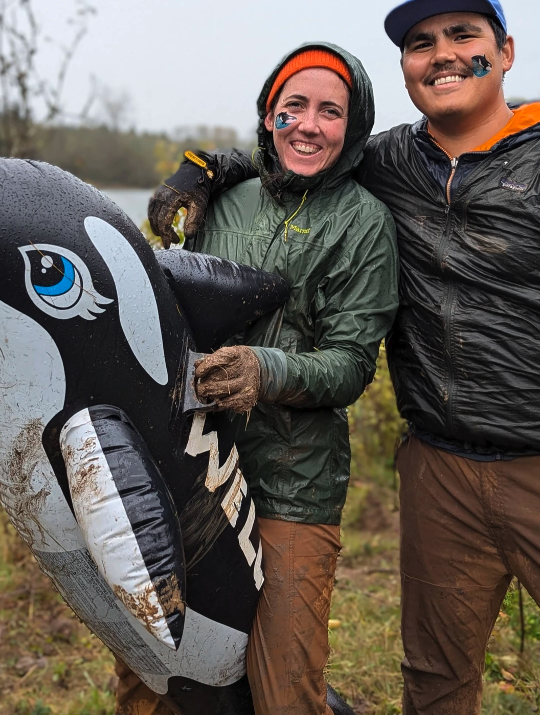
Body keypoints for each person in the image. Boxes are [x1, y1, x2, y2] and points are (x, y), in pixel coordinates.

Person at [146, 0, 540, 715]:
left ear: (503, 53)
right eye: (419, 43)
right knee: (435, 683)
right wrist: (206, 166)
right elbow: (296, 148)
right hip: (439, 469)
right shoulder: (389, 162)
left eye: (462, 36)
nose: (442, 54)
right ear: (405, 69)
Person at [117, 43, 398, 715]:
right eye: (292, 106)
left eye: (330, 111)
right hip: (192, 470)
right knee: (155, 674)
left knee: (284, 684)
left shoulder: (366, 224)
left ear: (352, 126)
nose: (308, 123)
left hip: (292, 485)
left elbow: (351, 364)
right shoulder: (223, 202)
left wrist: (262, 369)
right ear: (267, 117)